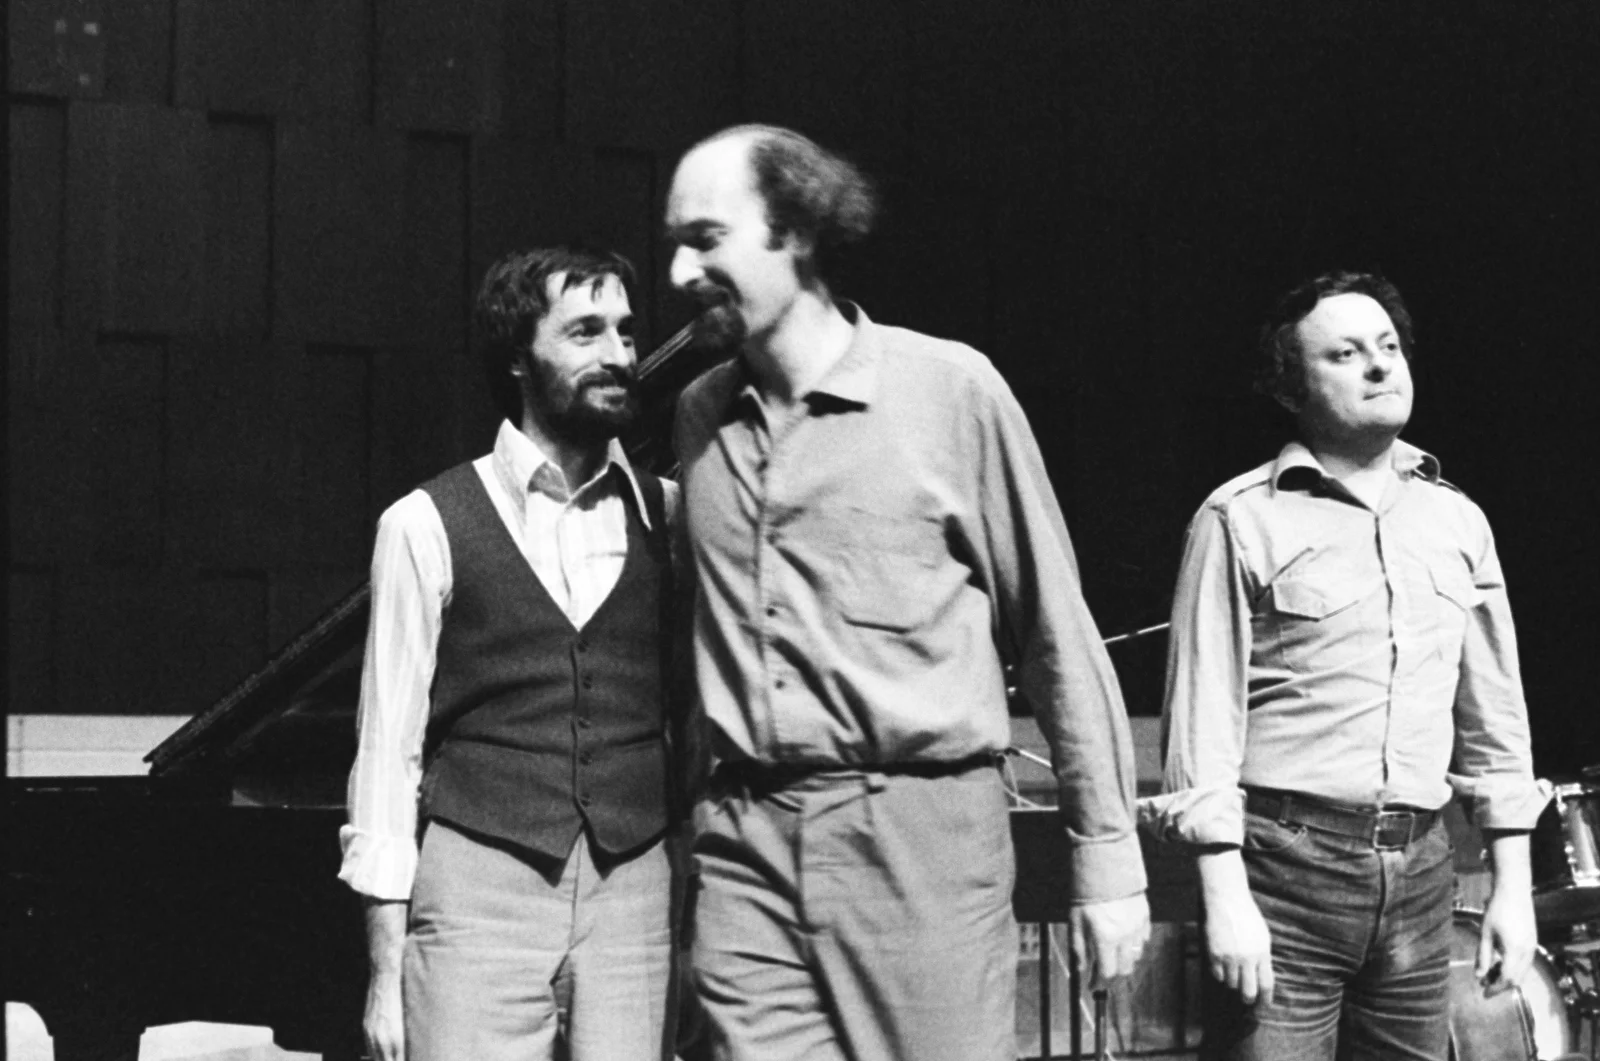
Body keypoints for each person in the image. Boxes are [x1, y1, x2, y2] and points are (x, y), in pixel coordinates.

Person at [665, 124, 1150, 1061]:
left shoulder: (950, 391)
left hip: (918, 844)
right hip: (745, 848)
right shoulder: (699, 417)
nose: (681, 271)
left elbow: (1055, 630)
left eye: (707, 239)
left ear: (797, 232)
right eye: (675, 243)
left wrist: (1107, 858)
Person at [1144, 270, 1546, 1060]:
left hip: (1423, 871)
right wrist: (1224, 895)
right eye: (1346, 353)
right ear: (1290, 388)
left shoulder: (1458, 520)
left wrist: (1513, 887)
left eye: (1389, 346)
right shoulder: (1240, 518)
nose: (1379, 365)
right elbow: (1201, 722)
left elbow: (1496, 719)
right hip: (1285, 870)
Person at [339, 246, 688, 1061]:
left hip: (636, 890)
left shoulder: (671, 517)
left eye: (626, 331)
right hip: (478, 888)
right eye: (585, 332)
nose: (619, 354)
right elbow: (387, 753)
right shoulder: (425, 523)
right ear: (518, 359)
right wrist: (385, 969)